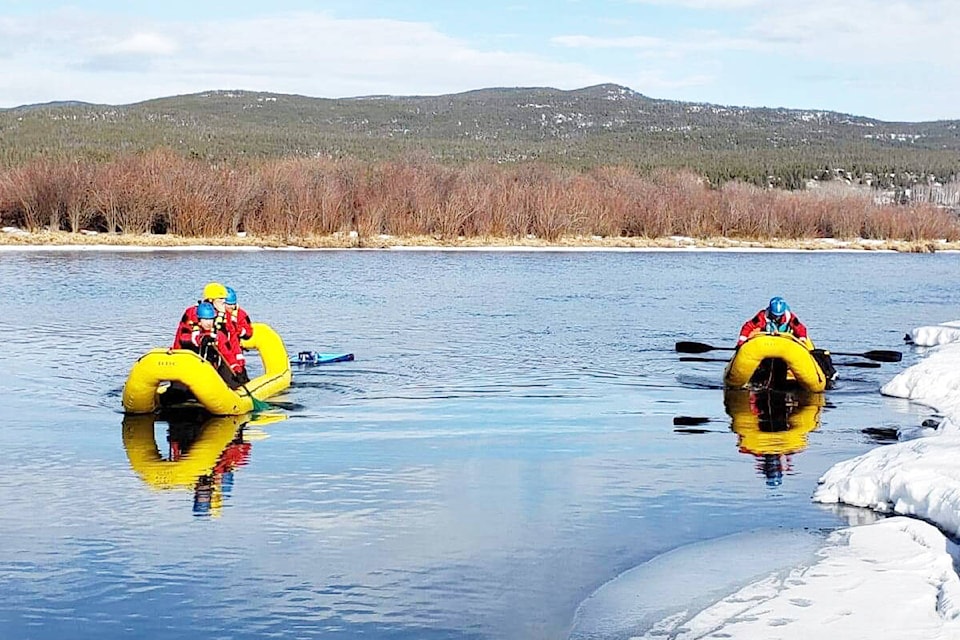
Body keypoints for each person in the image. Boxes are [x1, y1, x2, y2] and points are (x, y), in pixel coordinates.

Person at [738, 296, 811, 348]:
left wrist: (802, 340)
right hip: (766, 343)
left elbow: (800, 328)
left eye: (779, 315)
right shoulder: (762, 316)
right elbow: (748, 326)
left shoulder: (790, 317)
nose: (777, 317)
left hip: (785, 342)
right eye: (774, 315)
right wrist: (742, 341)